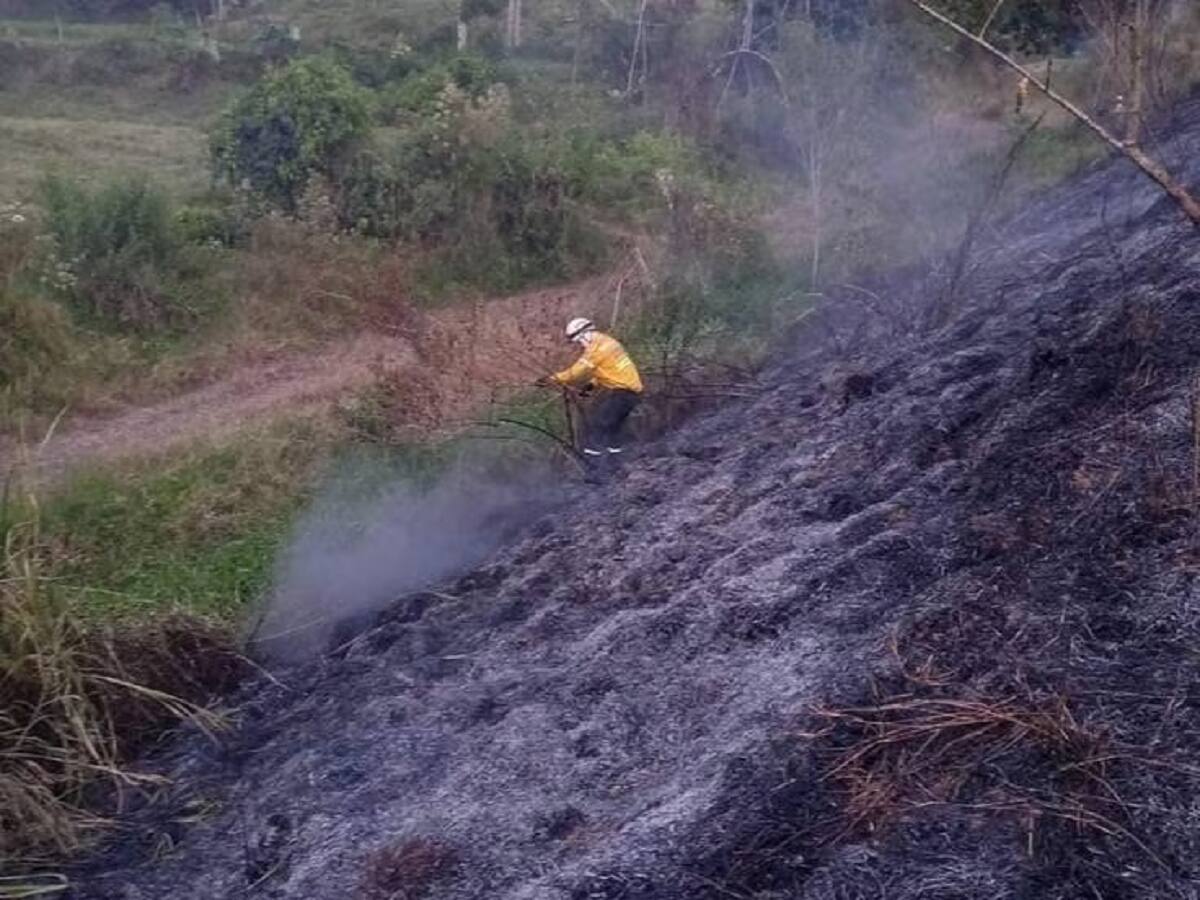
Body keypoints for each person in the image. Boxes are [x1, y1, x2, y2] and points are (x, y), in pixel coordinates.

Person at [540, 317, 643, 469]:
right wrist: (591, 385)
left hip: (624, 393)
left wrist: (550, 379)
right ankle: (616, 463)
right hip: (631, 394)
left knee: (597, 425)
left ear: (584, 334)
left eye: (579, 340)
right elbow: (608, 370)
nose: (580, 344)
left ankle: (593, 467)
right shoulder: (607, 342)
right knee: (613, 428)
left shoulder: (596, 349)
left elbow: (575, 373)